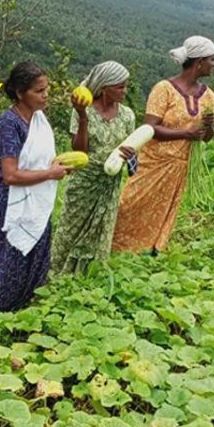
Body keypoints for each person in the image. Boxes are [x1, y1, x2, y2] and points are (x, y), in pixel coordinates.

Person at [0, 61, 69, 316]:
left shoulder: (38, 120)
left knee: (31, 255)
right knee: (1, 256)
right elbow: (10, 175)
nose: (45, 95)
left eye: (47, 89)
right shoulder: (8, 123)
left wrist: (56, 167)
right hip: (11, 200)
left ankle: (16, 309)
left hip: (36, 198)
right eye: (39, 91)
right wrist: (50, 173)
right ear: (21, 93)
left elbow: (39, 159)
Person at [112, 36, 214, 254]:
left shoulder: (208, 96)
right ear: (199, 62)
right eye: (212, 60)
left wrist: (208, 127)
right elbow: (150, 128)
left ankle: (149, 250)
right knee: (129, 204)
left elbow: (207, 137)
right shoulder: (164, 89)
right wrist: (185, 133)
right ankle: (115, 246)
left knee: (161, 210)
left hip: (179, 166)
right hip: (154, 162)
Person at [52, 61, 136, 274]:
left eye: (126, 86)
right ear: (104, 88)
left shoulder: (127, 115)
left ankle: (88, 276)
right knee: (70, 230)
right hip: (85, 181)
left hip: (110, 182)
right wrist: (82, 117)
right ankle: (56, 274)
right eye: (120, 87)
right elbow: (80, 150)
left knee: (100, 232)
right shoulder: (83, 110)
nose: (124, 91)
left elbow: (133, 156)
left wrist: (130, 157)